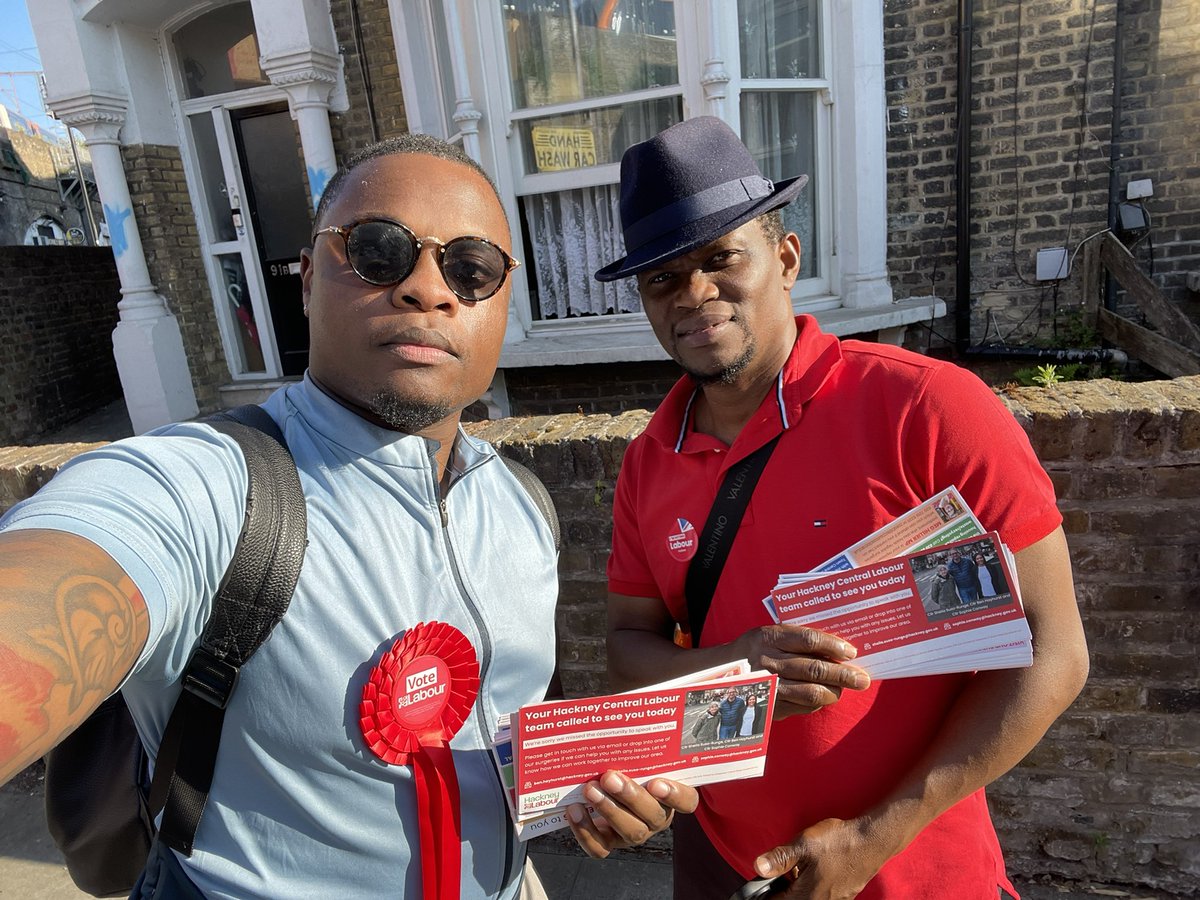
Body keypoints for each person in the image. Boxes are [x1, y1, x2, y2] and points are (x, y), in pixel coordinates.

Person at [0, 134, 696, 899]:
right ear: (306, 280)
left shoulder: (523, 505)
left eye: (471, 270)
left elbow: (500, 741)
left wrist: (585, 797)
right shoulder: (203, 488)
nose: (428, 290)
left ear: (503, 299)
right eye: (378, 251)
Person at [595, 117, 1089, 899]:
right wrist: (733, 668)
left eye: (722, 257)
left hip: (915, 870)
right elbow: (630, 649)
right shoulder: (647, 460)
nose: (694, 295)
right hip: (720, 865)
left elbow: (1053, 651)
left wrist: (876, 836)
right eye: (661, 278)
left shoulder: (926, 406)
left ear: (785, 259)